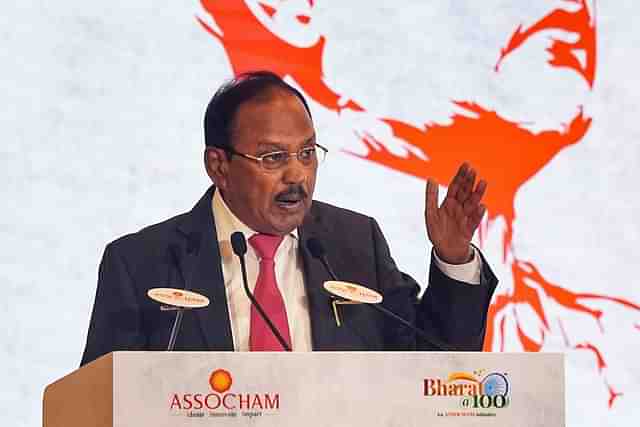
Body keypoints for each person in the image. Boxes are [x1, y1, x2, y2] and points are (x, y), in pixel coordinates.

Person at [80, 71, 498, 366]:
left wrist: (454, 258)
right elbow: (98, 403)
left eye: (307, 153)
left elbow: (437, 369)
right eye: (273, 157)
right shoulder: (142, 264)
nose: (297, 174)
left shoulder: (354, 244)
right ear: (218, 166)